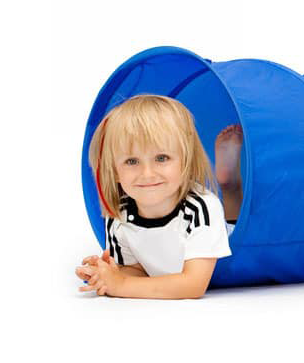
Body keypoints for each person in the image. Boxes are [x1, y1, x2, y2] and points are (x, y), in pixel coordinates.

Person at [76, 96, 243, 299]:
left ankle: (229, 185)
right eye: (132, 161)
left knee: (234, 226)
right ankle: (228, 183)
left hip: (235, 255)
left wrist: (120, 285)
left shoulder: (201, 208)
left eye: (161, 158)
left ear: (185, 161)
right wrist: (106, 275)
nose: (147, 174)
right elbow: (138, 272)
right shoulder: (119, 216)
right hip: (179, 264)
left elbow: (194, 285)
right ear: (114, 171)